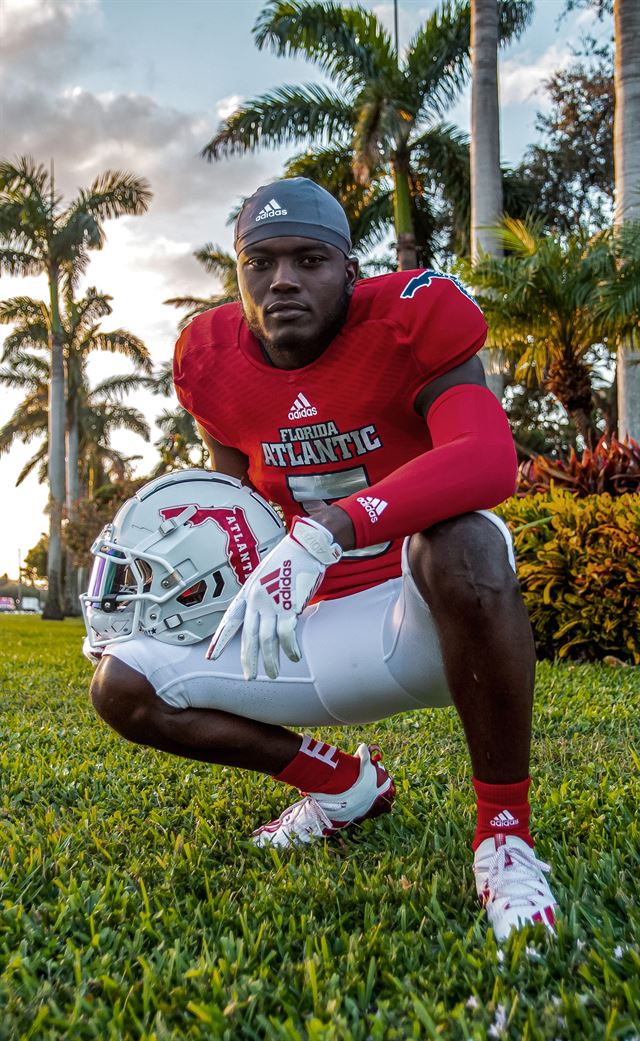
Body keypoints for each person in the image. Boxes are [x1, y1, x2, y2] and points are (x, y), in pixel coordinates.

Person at [88, 177, 557, 941]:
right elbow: (234, 508)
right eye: (260, 262)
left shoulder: (410, 318)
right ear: (238, 274)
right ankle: (342, 785)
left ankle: (504, 834)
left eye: (309, 260)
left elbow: (486, 459)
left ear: (349, 268)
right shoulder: (208, 359)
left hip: (422, 616)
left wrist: (329, 528)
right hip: (298, 624)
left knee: (466, 539)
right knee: (124, 683)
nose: (283, 280)